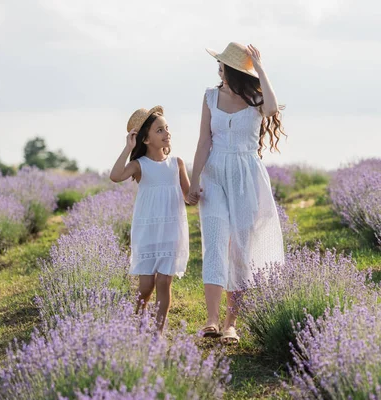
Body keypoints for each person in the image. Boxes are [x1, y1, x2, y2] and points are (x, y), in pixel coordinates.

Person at [187, 42, 285, 344]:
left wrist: (261, 68)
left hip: (247, 176)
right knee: (215, 241)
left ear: (233, 70)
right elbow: (204, 141)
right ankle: (212, 320)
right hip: (215, 173)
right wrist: (193, 181)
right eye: (219, 65)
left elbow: (271, 108)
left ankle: (231, 323)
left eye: (223, 66)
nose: (219, 70)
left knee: (241, 246)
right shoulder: (210, 96)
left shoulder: (256, 98)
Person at [110, 106, 190, 334]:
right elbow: (115, 176)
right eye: (159, 130)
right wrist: (128, 148)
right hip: (147, 232)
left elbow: (189, 196)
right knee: (145, 287)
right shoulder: (139, 165)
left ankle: (157, 334)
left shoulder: (177, 163)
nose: (166, 133)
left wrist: (204, 191)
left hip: (171, 231)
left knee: (164, 282)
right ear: (145, 139)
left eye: (166, 128)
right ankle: (136, 325)